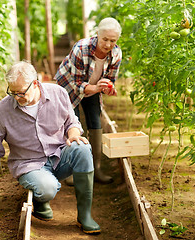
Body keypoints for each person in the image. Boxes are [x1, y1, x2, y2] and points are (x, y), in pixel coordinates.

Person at [0, 61, 101, 234]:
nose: (16, 97)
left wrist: (73, 135)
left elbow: (71, 122)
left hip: (59, 155)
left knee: (82, 148)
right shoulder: (1, 111)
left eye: (21, 92)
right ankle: (40, 198)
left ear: (35, 83)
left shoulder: (58, 93)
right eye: (12, 92)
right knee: (46, 188)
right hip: (29, 164)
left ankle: (85, 215)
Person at [55, 17, 122, 184]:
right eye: (105, 39)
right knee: (72, 125)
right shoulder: (81, 48)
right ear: (97, 35)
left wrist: (108, 87)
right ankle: (71, 171)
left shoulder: (116, 54)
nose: (108, 44)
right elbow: (77, 84)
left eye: (112, 41)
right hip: (69, 87)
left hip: (92, 88)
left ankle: (95, 169)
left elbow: (110, 79)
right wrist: (97, 87)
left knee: (95, 124)